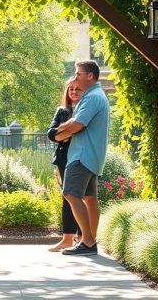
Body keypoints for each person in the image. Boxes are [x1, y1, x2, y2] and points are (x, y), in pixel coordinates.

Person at [54, 60, 109, 256]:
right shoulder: (95, 95)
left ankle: (87, 241)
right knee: (90, 198)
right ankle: (90, 240)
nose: (75, 77)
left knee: (70, 194)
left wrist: (59, 131)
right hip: (92, 155)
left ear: (90, 76)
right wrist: (66, 127)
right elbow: (74, 122)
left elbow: (77, 124)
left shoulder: (92, 97)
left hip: (82, 155)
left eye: (78, 74)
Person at [46, 78, 83, 252]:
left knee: (83, 197)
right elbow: (52, 134)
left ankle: (83, 237)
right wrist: (68, 131)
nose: (74, 92)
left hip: (83, 157)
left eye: (78, 89)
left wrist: (65, 133)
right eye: (71, 89)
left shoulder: (86, 110)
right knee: (67, 196)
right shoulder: (62, 111)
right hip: (64, 159)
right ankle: (67, 237)